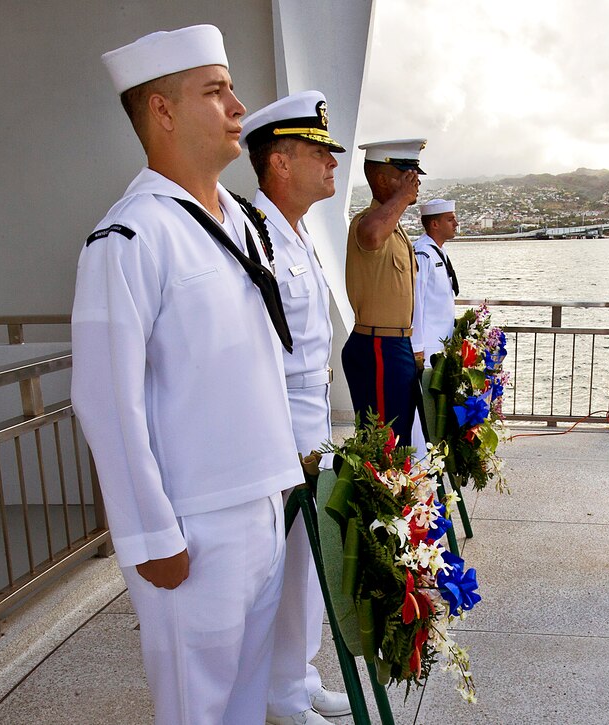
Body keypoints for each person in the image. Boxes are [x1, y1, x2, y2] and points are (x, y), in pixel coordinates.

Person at [71, 25, 302, 723]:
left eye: (231, 86)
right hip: (193, 524)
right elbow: (105, 398)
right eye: (216, 90)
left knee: (243, 699)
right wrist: (149, 534)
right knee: (194, 709)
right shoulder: (131, 237)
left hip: (261, 503)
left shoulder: (241, 222)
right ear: (162, 111)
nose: (238, 105)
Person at [239, 91, 352, 725]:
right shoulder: (255, 237)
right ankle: (277, 697)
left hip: (311, 422)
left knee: (308, 562)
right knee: (278, 570)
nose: (331, 163)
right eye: (318, 152)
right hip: (280, 424)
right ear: (279, 162)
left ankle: (297, 674)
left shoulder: (296, 233)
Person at [342, 138, 426, 445]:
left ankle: (399, 494)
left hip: (396, 347)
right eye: (405, 173)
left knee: (399, 440)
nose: (414, 181)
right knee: (383, 445)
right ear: (380, 178)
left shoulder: (397, 230)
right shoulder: (367, 222)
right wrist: (403, 197)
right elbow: (372, 234)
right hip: (377, 346)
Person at [410, 198, 460, 453]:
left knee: (435, 413)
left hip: (440, 350)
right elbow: (416, 302)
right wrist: (417, 348)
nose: (456, 223)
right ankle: (422, 466)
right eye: (450, 219)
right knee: (423, 415)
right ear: (434, 223)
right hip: (428, 351)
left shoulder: (437, 252)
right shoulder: (423, 254)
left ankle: (435, 462)